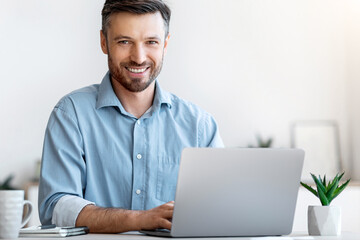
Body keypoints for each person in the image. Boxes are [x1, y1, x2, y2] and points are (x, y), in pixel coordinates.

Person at [38, 0, 223, 233]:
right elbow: (56, 208)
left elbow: (219, 211)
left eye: (151, 42)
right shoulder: (70, 114)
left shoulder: (200, 127)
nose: (138, 57)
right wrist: (140, 219)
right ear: (104, 42)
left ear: (165, 44)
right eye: (125, 41)